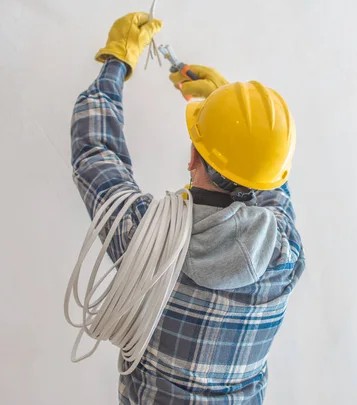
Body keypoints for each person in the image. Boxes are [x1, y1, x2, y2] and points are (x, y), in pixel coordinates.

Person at [70, 12, 305, 404]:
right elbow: (272, 187)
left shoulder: (143, 238)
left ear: (193, 155)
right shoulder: (285, 257)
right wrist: (231, 110)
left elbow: (94, 150)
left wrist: (117, 61)